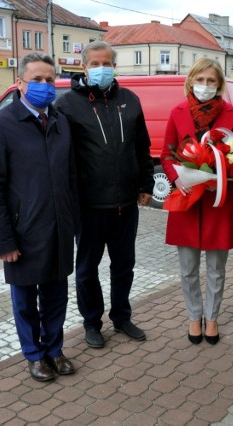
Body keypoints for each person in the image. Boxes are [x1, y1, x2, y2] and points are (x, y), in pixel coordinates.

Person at [0, 53, 78, 381]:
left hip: (59, 227)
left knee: (56, 296)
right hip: (22, 231)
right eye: (37, 80)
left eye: (50, 80)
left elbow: (71, 177)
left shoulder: (61, 122)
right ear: (20, 83)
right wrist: (3, 240)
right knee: (25, 299)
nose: (45, 86)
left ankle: (53, 349)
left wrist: (74, 223)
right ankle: (33, 355)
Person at [55, 41, 154, 349]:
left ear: (114, 65)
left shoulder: (130, 99)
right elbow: (62, 157)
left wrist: (146, 185)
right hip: (88, 206)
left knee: (124, 266)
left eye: (107, 63)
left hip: (126, 203)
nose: (102, 68)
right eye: (96, 63)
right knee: (86, 269)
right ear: (84, 67)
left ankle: (122, 317)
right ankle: (92, 322)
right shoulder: (67, 105)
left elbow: (142, 147)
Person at [160, 58, 233, 345]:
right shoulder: (177, 112)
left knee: (217, 268)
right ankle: (194, 317)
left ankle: (213, 317)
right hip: (186, 199)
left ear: (219, 85)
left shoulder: (232, 114)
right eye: (200, 79)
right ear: (191, 80)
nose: (205, 86)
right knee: (188, 268)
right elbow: (166, 154)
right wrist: (177, 178)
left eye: (211, 81)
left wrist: (227, 174)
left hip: (218, 201)